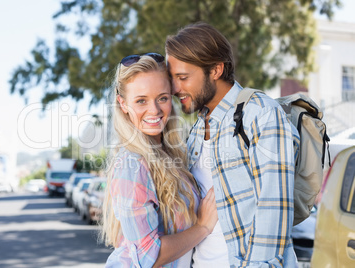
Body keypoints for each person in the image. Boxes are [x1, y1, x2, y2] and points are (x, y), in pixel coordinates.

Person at [166, 22, 299, 267]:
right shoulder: (197, 128)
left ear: (216, 70)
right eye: (172, 78)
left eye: (183, 77)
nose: (175, 89)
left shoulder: (260, 114)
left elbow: (273, 212)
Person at [102, 53, 219, 268]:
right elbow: (148, 257)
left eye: (162, 98)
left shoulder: (171, 154)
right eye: (141, 101)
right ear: (123, 104)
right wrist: (202, 227)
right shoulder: (132, 164)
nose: (154, 110)